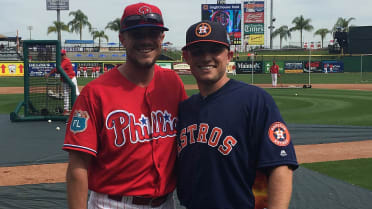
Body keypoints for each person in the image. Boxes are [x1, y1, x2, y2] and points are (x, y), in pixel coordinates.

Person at [63, 3, 187, 209]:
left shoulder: (173, 83)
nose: (146, 40)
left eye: (153, 33)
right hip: (114, 203)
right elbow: (78, 165)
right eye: (137, 34)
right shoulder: (95, 92)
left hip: (166, 202)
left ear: (162, 39)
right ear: (122, 39)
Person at [176, 20, 298, 209]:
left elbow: (281, 166)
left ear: (229, 55)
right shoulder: (185, 109)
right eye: (198, 51)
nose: (206, 57)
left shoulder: (255, 100)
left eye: (214, 50)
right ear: (186, 57)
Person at [46, 49, 80, 115]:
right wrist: (50, 73)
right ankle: (66, 110)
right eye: (60, 55)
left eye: (62, 55)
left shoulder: (66, 61)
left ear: (65, 55)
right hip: (65, 80)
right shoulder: (61, 61)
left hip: (71, 79)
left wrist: (49, 73)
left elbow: (59, 68)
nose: (61, 56)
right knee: (66, 95)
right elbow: (57, 69)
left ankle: (80, 108)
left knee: (76, 94)